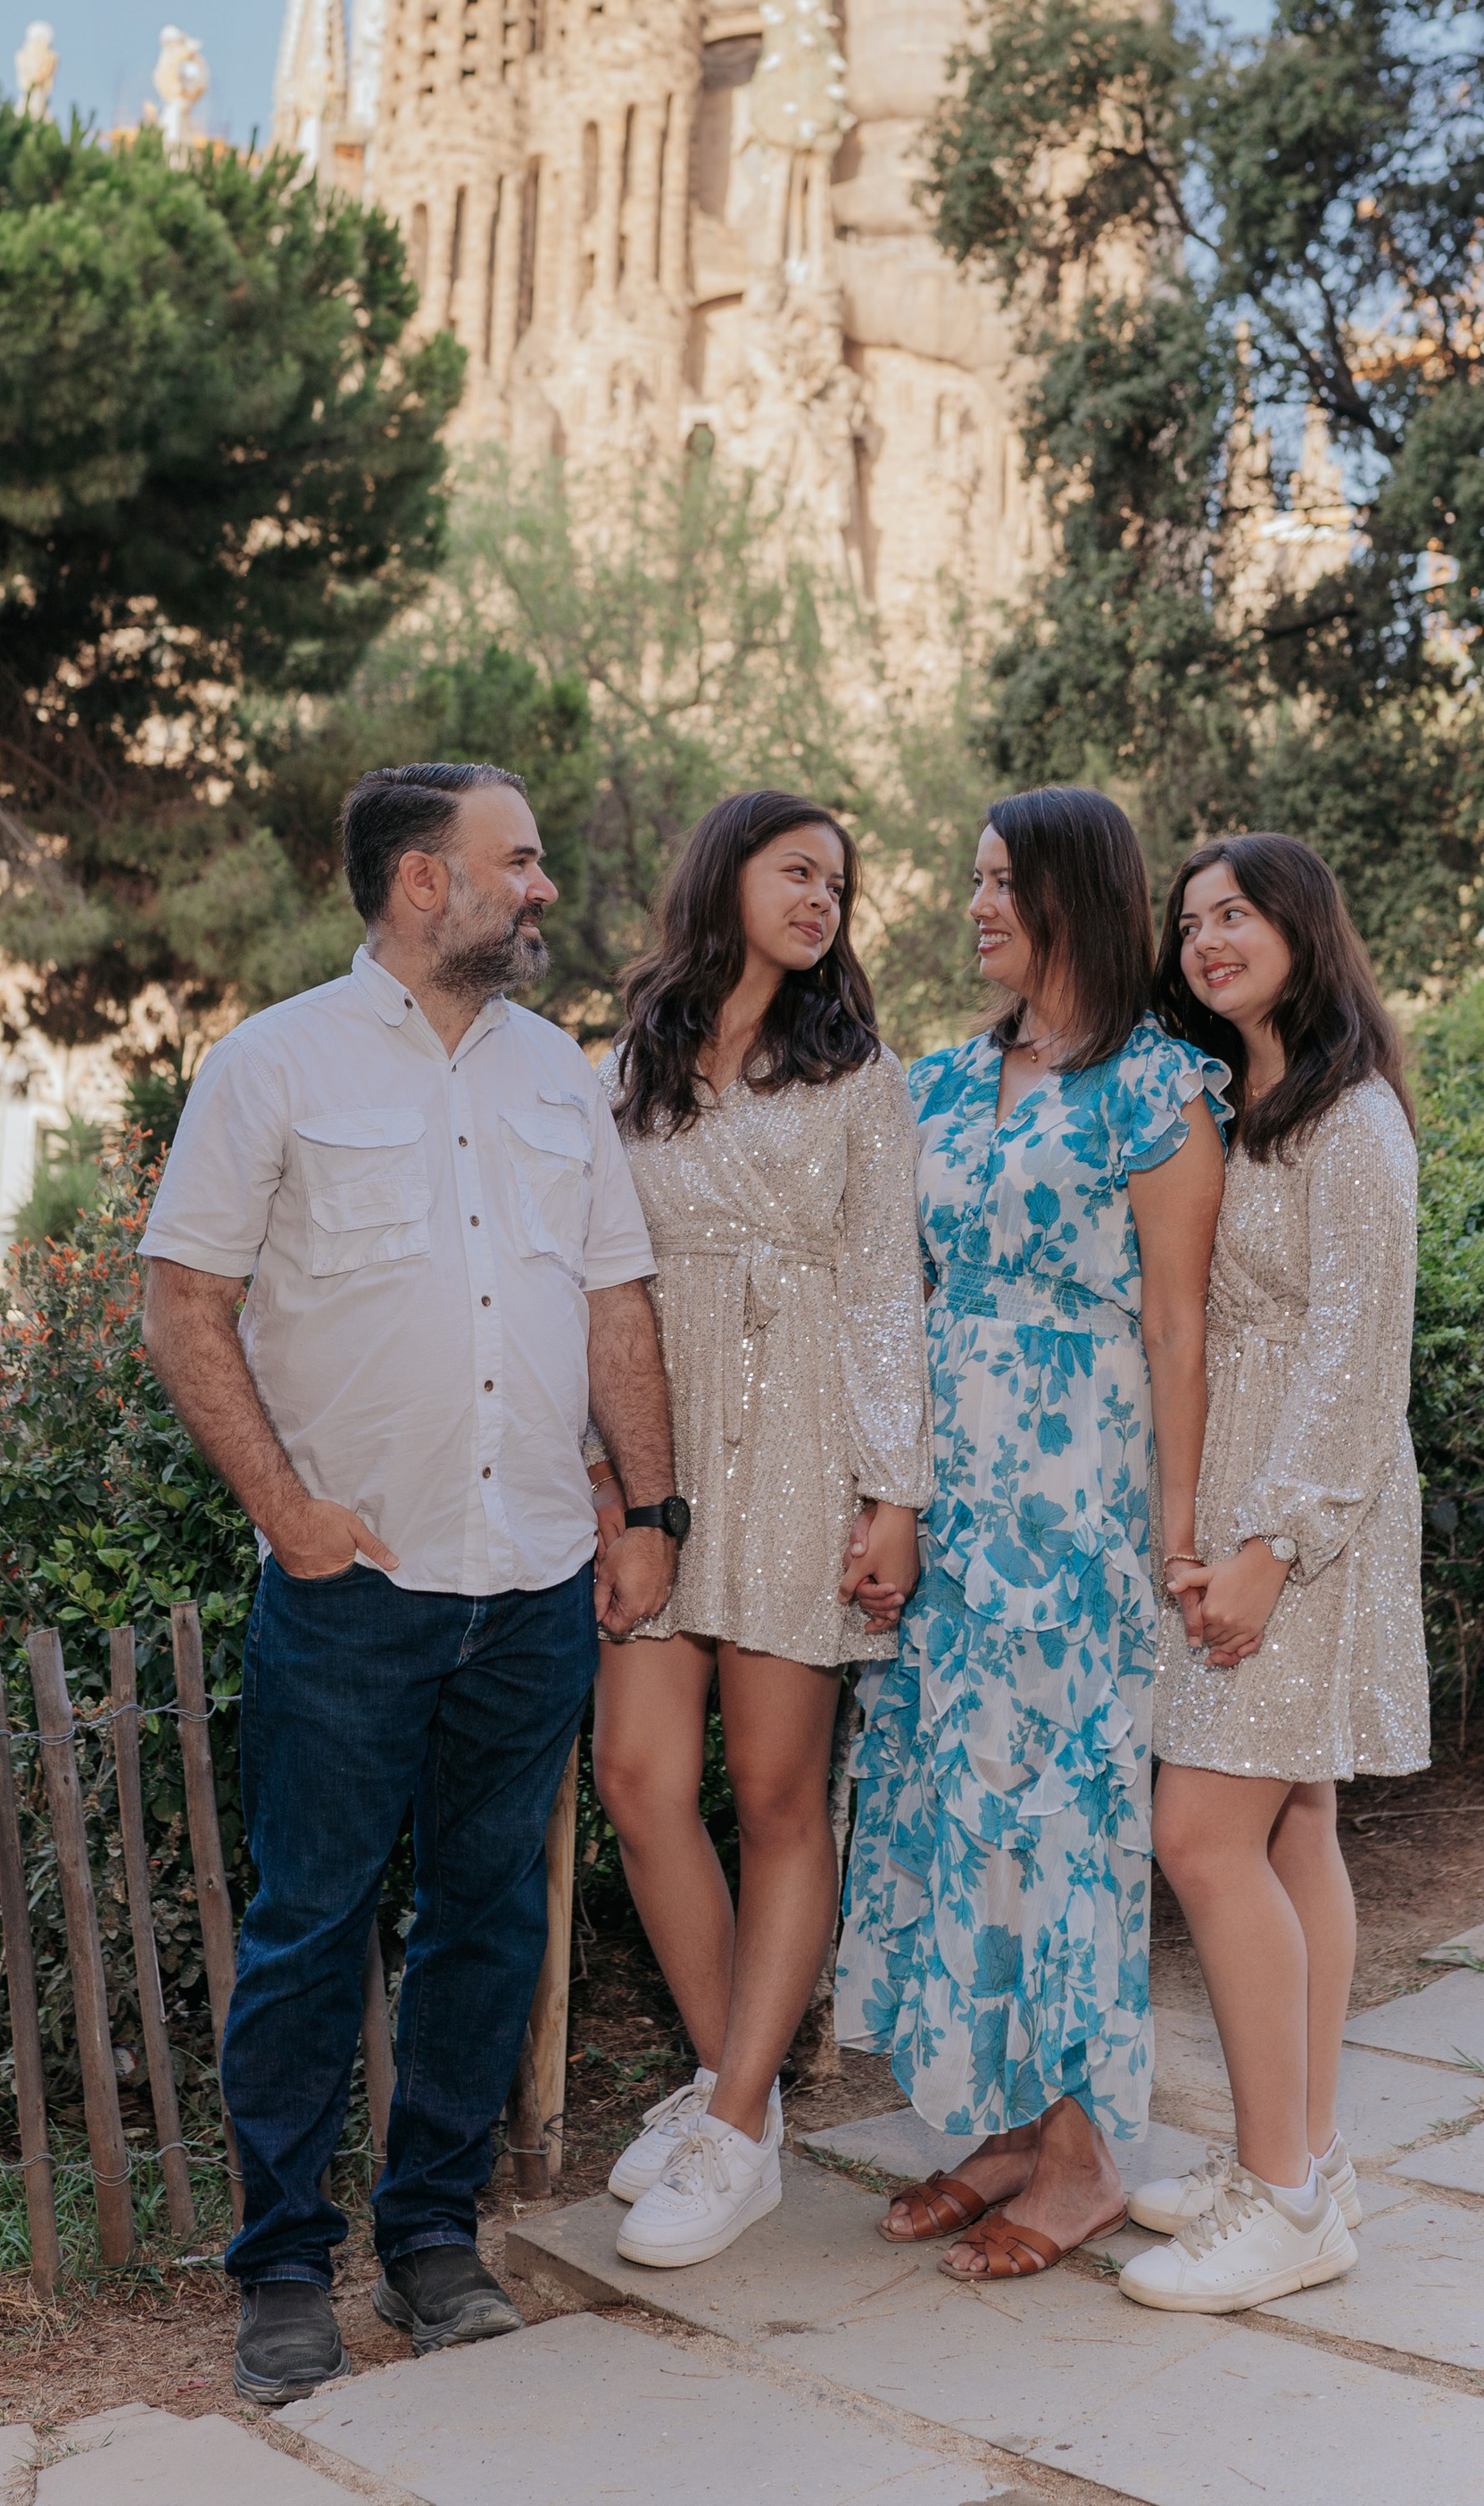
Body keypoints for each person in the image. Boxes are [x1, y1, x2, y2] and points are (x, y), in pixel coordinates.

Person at [139, 762, 684, 2409]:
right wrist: (289, 1510)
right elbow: (183, 1305)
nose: (539, 889)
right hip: (356, 1586)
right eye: (514, 863)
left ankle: (434, 2239)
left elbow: (613, 1301)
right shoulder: (272, 1066)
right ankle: (285, 2272)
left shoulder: (556, 1077)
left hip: (531, 1573)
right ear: (420, 885)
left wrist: (646, 1506)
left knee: (488, 1920)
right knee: (313, 1929)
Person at [835, 784, 1225, 2282]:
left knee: (1067, 1822)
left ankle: (1081, 2157)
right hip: (954, 1496)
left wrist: (1174, 1533)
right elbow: (902, 1304)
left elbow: (1180, 1328)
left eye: (1005, 882)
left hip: (1081, 1507)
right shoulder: (933, 1085)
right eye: (975, 880)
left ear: (1077, 893)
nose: (978, 904)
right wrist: (897, 1498)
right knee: (957, 1806)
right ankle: (1001, 2122)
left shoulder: (1157, 1088)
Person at [589, 792, 928, 2270]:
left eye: (840, 885)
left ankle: (731, 2126)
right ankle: (750, 2104)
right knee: (641, 1776)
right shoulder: (632, 1066)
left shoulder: (861, 1077)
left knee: (780, 1791)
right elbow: (588, 1279)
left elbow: (885, 1293)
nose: (823, 900)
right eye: (798, 871)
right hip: (666, 1442)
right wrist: (608, 1482)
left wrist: (894, 1493)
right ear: (724, 871)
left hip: (803, 1441)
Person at [1117, 831, 1426, 2315]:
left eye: (1235, 914)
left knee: (1203, 1834)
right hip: (1245, 1497)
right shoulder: (1242, 1102)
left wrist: (1269, 1546)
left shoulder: (1355, 1122)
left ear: (1305, 923)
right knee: (1296, 1822)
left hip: (1307, 1516)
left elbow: (1356, 1360)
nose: (1207, 940)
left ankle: (1288, 2203)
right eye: (1190, 924)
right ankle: (1298, 2152)